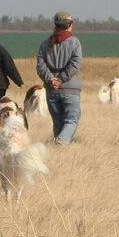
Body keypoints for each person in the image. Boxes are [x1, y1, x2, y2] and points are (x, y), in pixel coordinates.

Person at [35, 12, 83, 144]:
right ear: (69, 25)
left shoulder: (45, 44)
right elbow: (75, 64)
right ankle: (60, 143)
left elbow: (40, 66)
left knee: (58, 123)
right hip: (70, 88)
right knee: (72, 120)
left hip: (51, 90)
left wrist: (51, 79)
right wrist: (61, 79)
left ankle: (59, 152)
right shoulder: (74, 42)